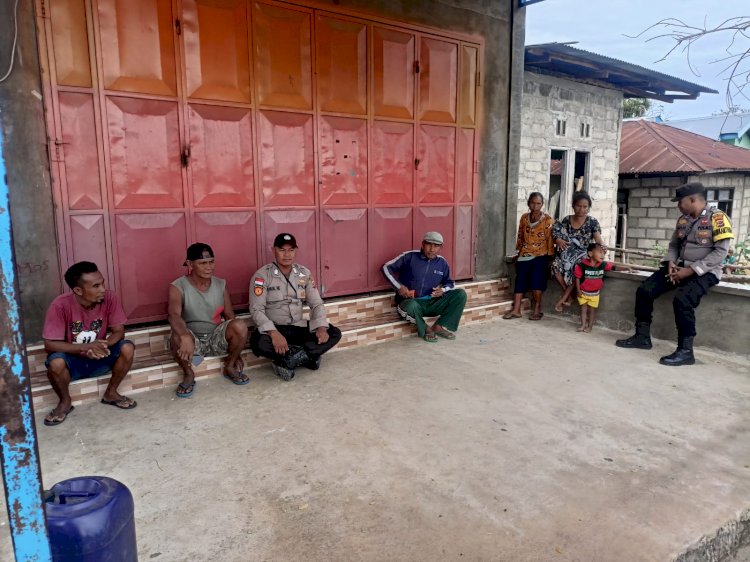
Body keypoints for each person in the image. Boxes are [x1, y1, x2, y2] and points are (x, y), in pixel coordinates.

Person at [615, 182, 733, 366]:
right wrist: (670, 262)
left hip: (705, 272)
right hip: (679, 268)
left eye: (680, 201)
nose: (678, 205)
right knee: (645, 291)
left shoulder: (717, 218)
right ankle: (642, 337)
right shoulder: (683, 220)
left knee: (683, 300)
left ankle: (686, 351)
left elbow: (720, 253)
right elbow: (674, 246)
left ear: (693, 199)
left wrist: (690, 271)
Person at [42, 261, 137, 426]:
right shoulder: (60, 305)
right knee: (56, 362)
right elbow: (50, 344)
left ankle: (111, 393)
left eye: (102, 283)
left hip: (101, 357)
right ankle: (64, 402)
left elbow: (118, 331)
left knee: (127, 347)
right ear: (78, 290)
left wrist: (103, 345)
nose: (102, 289)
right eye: (96, 286)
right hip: (73, 363)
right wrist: (86, 347)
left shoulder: (110, 297)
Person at [249, 233, 341, 381]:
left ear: (295, 251)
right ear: (274, 250)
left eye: (291, 250)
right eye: (282, 250)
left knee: (334, 333)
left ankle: (287, 360)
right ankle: (309, 356)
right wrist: (274, 333)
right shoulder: (262, 276)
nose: (287, 255)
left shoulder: (304, 273)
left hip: (297, 327)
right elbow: (256, 309)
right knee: (258, 343)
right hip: (276, 328)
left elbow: (316, 303)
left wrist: (321, 328)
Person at [168, 243, 249, 398]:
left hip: (215, 338)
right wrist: (184, 336)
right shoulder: (178, 286)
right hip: (193, 343)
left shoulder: (220, 284)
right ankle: (189, 374)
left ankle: (229, 366)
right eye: (202, 263)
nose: (208, 267)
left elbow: (230, 315)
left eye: (211, 262)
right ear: (190, 264)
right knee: (177, 335)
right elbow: (174, 315)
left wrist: (236, 352)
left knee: (239, 325)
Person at [383, 231, 468, 342]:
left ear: (441, 247)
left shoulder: (442, 263)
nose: (432, 249)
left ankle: (439, 326)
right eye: (429, 244)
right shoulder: (410, 256)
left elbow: (450, 283)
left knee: (460, 294)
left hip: (432, 302)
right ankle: (426, 329)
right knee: (411, 306)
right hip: (410, 302)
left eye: (436, 246)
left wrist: (442, 290)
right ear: (423, 244)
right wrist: (399, 286)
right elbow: (386, 267)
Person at [503, 192, 555, 321]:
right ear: (528, 203)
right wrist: (518, 252)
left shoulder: (547, 220)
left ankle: (537, 310)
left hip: (541, 255)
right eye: (533, 203)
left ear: (542, 205)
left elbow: (550, 239)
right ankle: (516, 310)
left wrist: (550, 257)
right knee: (520, 281)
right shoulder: (524, 218)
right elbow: (520, 235)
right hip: (524, 254)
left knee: (537, 283)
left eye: (538, 203)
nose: (535, 206)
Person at [552, 191, 605, 312]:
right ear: (573, 205)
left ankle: (564, 297)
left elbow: (598, 239)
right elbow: (557, 234)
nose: (581, 209)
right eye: (578, 206)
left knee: (577, 268)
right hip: (566, 253)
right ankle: (569, 294)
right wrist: (558, 239)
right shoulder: (566, 220)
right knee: (555, 265)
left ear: (588, 207)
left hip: (583, 254)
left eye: (585, 206)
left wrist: (602, 247)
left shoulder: (592, 222)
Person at [574, 243, 615, 333]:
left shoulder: (603, 265)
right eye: (600, 252)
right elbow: (577, 278)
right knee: (583, 310)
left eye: (603, 253)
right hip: (583, 293)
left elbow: (614, 267)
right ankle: (583, 325)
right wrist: (578, 290)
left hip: (595, 294)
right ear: (590, 254)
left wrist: (628, 268)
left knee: (592, 311)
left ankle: (590, 327)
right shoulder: (582, 265)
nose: (602, 255)